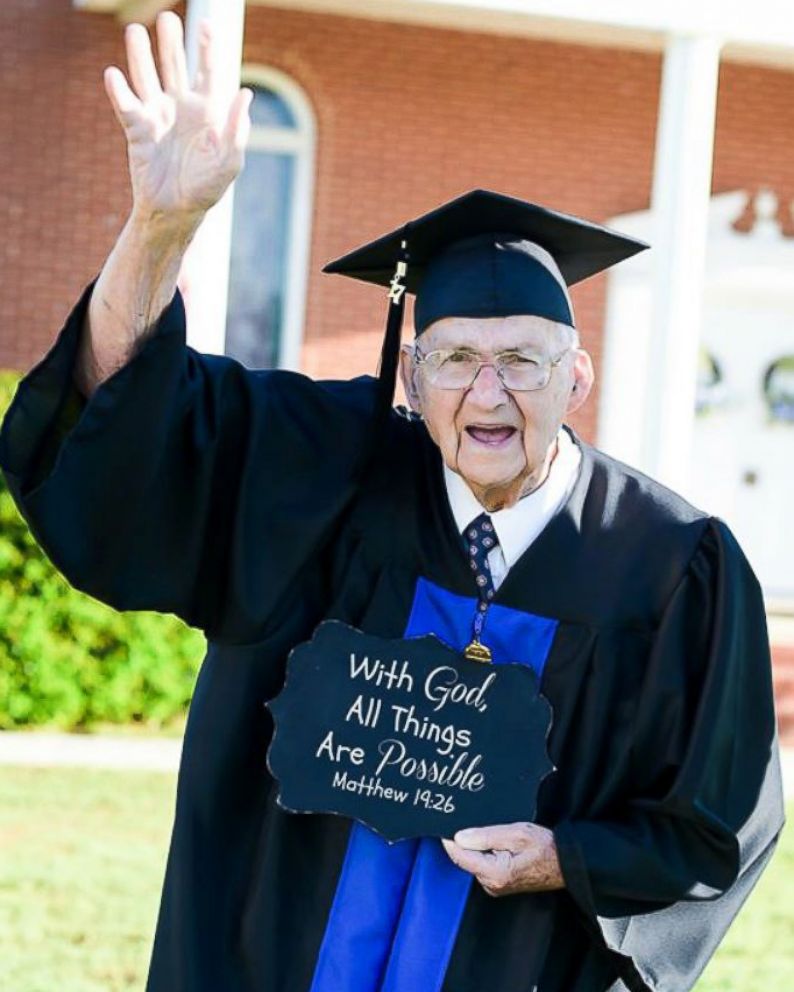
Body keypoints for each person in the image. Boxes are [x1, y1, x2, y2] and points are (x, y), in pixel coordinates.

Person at [0, 11, 785, 992]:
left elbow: (719, 824)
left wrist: (561, 853)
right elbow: (128, 431)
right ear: (409, 374)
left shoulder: (673, 565)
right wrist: (162, 227)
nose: (486, 392)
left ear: (576, 375)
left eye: (522, 362)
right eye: (454, 357)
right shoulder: (322, 472)